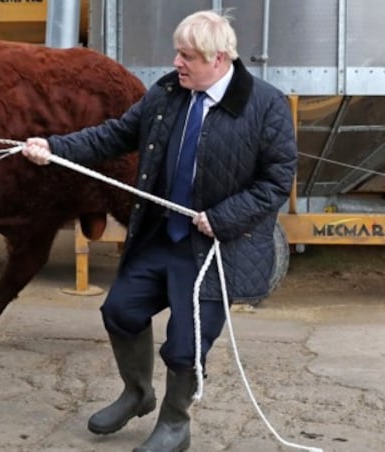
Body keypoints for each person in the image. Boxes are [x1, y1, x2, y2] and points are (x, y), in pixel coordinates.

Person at [22, 10, 297, 452]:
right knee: (120, 312)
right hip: (161, 237)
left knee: (185, 348)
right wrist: (54, 147)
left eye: (187, 56)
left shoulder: (265, 106)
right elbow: (114, 136)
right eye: (178, 53)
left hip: (215, 250)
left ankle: (175, 423)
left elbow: (276, 181)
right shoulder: (167, 94)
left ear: (220, 59)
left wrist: (224, 217)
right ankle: (137, 394)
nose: (177, 62)